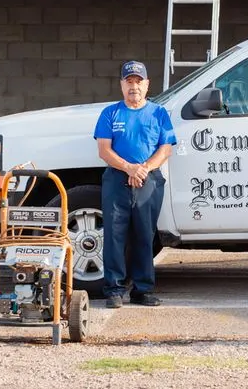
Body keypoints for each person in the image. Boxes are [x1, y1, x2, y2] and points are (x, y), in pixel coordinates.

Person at [93, 60, 176, 308]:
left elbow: (166, 149)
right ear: (121, 85)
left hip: (148, 180)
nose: (134, 87)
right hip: (117, 179)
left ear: (147, 85)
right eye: (129, 82)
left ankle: (143, 289)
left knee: (144, 235)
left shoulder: (158, 113)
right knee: (114, 235)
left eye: (138, 82)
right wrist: (128, 168)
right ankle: (114, 290)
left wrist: (143, 169)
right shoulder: (110, 113)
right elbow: (104, 150)